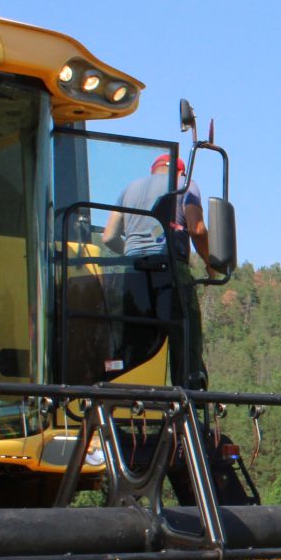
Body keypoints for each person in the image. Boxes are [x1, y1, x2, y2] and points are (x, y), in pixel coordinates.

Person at [100, 154, 212, 386]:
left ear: (154, 170)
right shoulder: (185, 185)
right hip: (169, 273)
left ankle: (123, 403)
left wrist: (134, 255)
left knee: (133, 345)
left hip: (132, 277)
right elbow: (197, 229)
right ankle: (189, 399)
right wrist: (212, 265)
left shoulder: (129, 189)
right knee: (185, 336)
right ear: (180, 171)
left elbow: (109, 236)